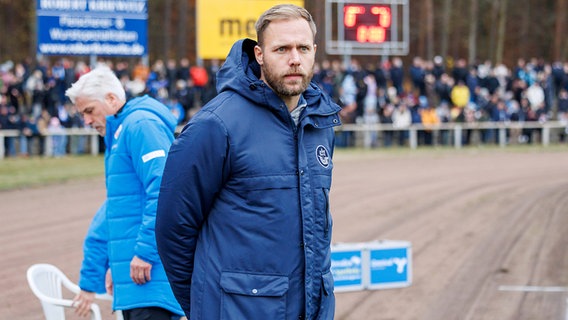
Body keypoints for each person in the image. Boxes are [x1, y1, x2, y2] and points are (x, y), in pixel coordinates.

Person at [155, 4, 341, 320]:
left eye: (303, 48)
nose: (294, 58)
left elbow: (317, 228)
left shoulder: (320, 123)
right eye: (281, 48)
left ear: (314, 51)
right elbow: (173, 229)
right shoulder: (216, 125)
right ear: (259, 54)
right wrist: (205, 306)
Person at [64, 65, 184, 320]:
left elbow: (165, 190)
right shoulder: (121, 131)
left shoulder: (140, 125)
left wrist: (144, 252)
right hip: (136, 280)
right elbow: (123, 209)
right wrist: (114, 266)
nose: (86, 120)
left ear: (111, 99)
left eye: (89, 111)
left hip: (151, 278)